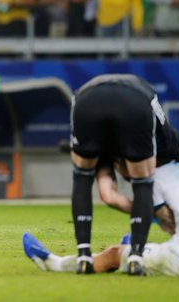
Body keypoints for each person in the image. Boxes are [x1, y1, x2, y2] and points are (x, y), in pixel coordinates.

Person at [23, 161, 179, 276]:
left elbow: (167, 222)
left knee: (116, 254)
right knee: (141, 244)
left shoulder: (156, 177)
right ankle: (136, 247)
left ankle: (53, 263)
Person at [69, 74, 161, 275]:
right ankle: (136, 257)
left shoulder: (104, 153)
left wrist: (149, 213)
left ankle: (83, 256)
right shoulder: (167, 140)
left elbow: (108, 195)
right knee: (143, 181)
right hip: (134, 99)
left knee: (82, 176)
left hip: (87, 100)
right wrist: (156, 211)